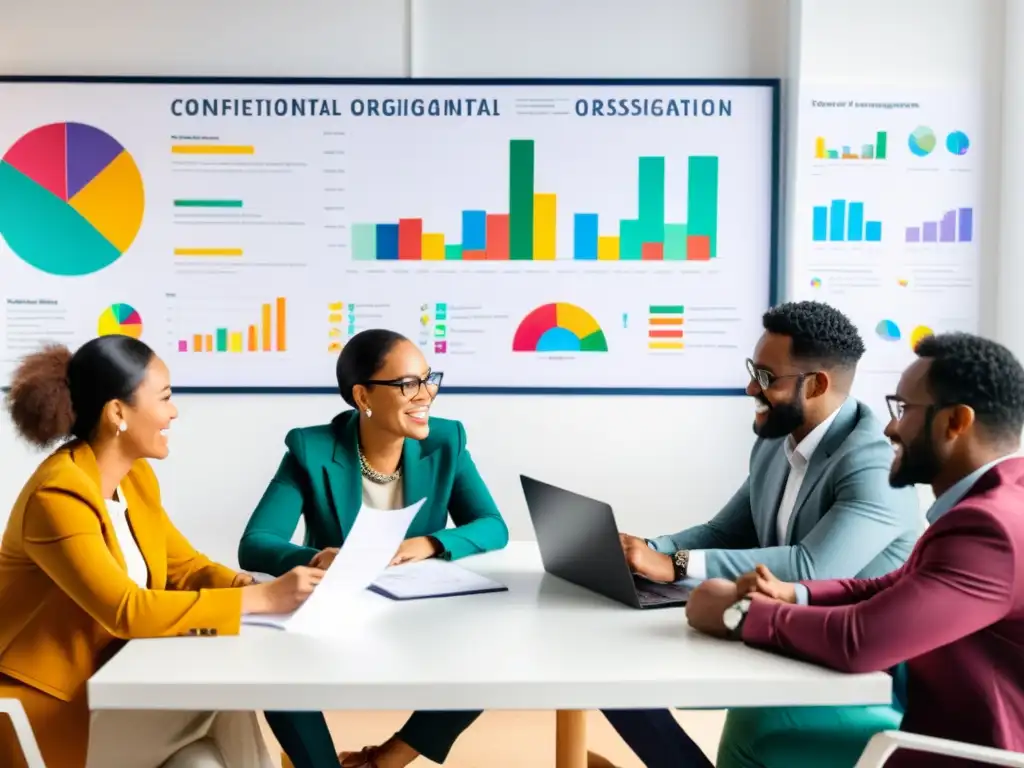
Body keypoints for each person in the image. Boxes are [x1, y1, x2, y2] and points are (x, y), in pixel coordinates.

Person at [594, 301, 921, 768]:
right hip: (785, 638)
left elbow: (813, 567)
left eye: (767, 377)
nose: (751, 387)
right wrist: (649, 549)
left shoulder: (872, 461)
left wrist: (677, 565)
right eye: (753, 370)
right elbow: (724, 530)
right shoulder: (777, 443)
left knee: (640, 684)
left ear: (818, 385)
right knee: (619, 684)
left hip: (857, 664)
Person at [687, 331, 1024, 767]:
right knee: (760, 722)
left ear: (955, 423)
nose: (890, 427)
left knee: (759, 734)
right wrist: (794, 595)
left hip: (968, 756)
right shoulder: (999, 502)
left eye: (903, 410)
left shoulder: (989, 528)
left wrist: (740, 615)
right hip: (948, 731)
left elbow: (860, 641)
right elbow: (894, 584)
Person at [0, 336, 323, 768]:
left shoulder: (134, 479)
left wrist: (252, 584)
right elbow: (126, 609)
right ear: (118, 412)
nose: (174, 411)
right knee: (224, 696)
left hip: (121, 678)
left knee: (204, 760)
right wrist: (263, 600)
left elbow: (183, 566)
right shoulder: (57, 495)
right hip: (57, 707)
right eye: (165, 398)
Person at [239, 328, 509, 768]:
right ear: (363, 395)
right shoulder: (311, 448)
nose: (426, 394)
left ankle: (385, 760)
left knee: (491, 657)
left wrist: (428, 542)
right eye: (408, 384)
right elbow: (255, 543)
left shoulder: (447, 441)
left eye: (429, 378)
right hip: (337, 611)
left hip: (422, 613)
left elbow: (492, 526)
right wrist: (315, 557)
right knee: (276, 676)